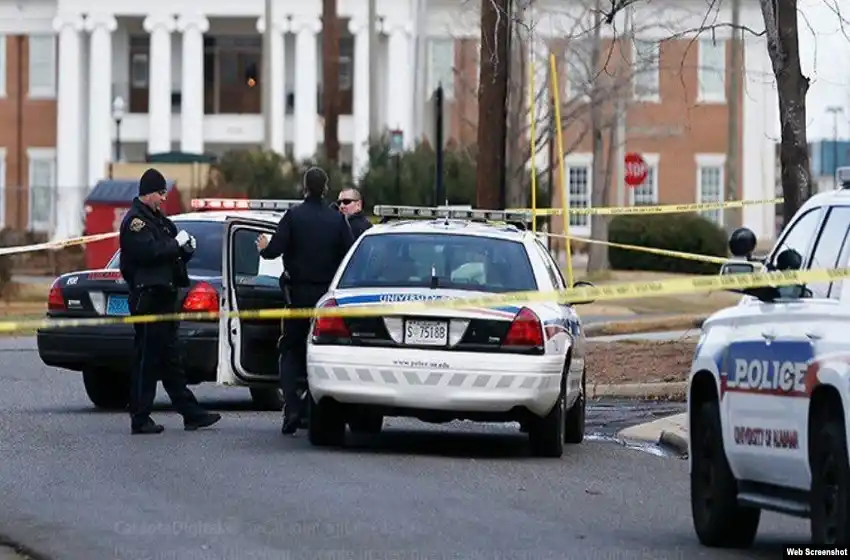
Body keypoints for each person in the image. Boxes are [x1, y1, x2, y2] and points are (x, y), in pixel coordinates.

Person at [119, 168, 222, 435]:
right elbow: (150, 252)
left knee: (170, 360)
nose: (164, 198)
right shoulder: (136, 222)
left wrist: (185, 249)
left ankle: (191, 414)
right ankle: (140, 418)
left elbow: (171, 255)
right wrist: (175, 245)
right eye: (161, 193)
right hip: (149, 299)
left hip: (166, 297)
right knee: (148, 360)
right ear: (148, 192)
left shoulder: (159, 221)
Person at [256, 167, 354, 434]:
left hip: (297, 297)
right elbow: (350, 256)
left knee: (290, 351)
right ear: (325, 188)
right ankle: (314, 410)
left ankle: (292, 408)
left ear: (304, 187)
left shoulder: (293, 216)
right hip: (326, 301)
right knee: (320, 353)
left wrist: (263, 247)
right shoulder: (337, 221)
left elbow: (274, 250)